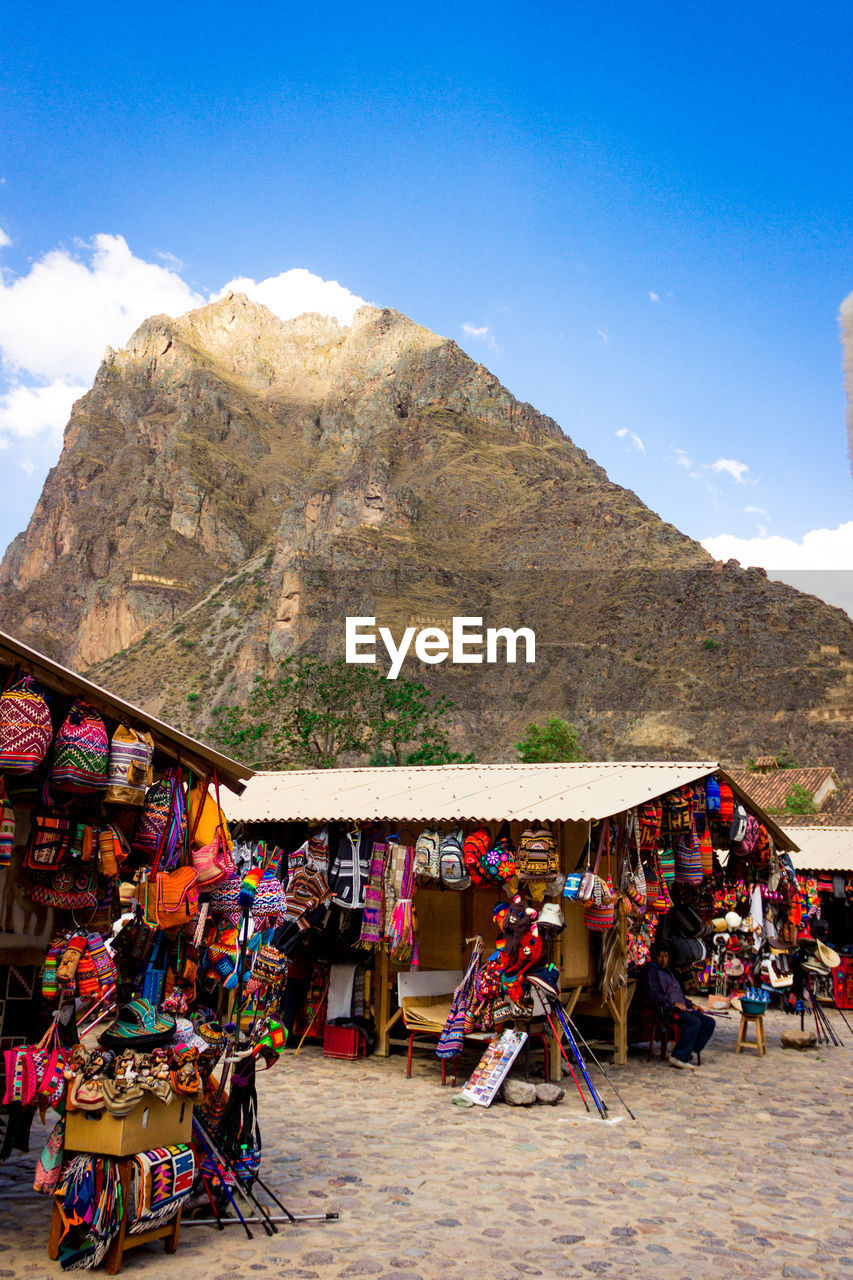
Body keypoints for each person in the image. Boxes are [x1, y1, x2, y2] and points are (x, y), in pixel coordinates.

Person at [645, 942, 715, 1070]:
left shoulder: (669, 972)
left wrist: (692, 1005)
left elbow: (679, 995)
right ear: (655, 957)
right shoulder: (652, 971)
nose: (663, 959)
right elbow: (654, 994)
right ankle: (679, 1056)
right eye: (660, 956)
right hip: (668, 1010)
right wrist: (673, 1004)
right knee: (694, 1022)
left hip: (682, 1008)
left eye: (666, 956)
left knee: (709, 1022)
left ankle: (687, 1050)